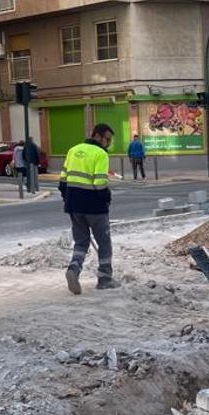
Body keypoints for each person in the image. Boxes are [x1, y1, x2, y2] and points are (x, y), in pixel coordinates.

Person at [59, 123, 118, 293]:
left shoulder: (73, 150)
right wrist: (106, 201)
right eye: (107, 139)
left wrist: (68, 201)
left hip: (74, 206)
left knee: (81, 242)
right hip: (94, 207)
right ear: (97, 136)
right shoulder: (101, 154)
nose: (108, 143)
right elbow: (100, 183)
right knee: (104, 242)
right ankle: (105, 278)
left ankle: (73, 269)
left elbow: (63, 181)